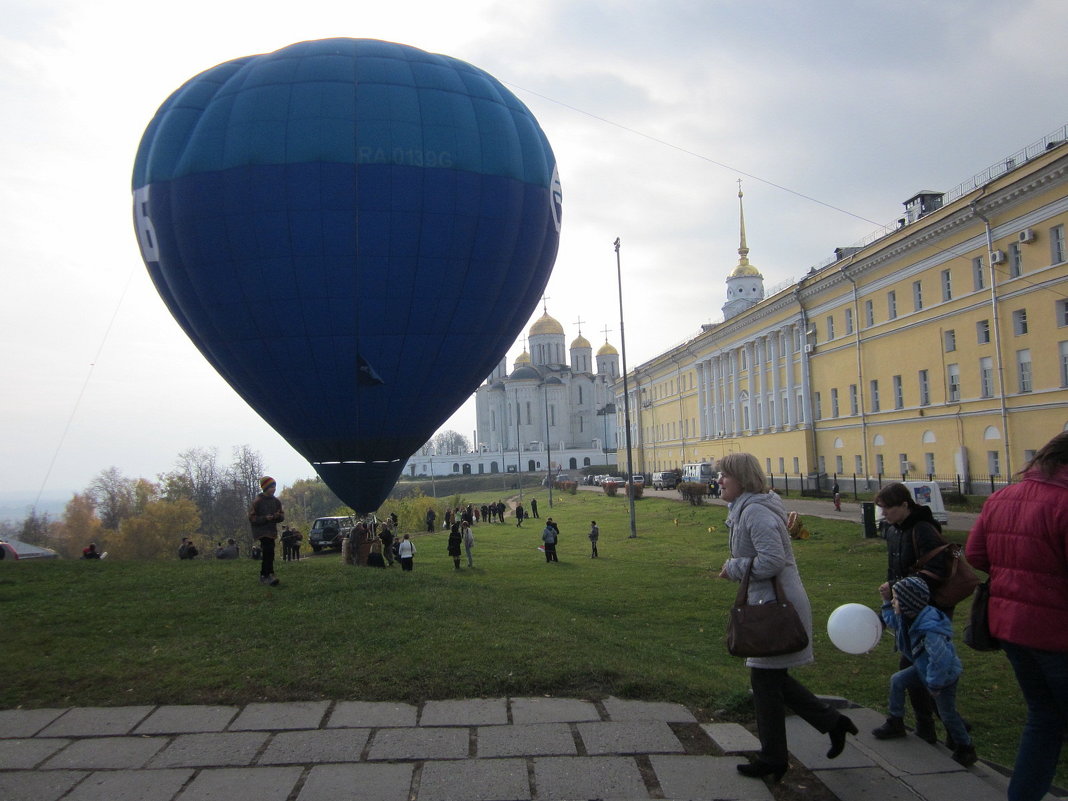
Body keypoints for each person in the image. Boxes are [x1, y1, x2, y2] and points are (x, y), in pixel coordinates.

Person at [717, 452, 856, 782]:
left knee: (764, 681)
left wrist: (734, 567)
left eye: (725, 475)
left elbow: (772, 561)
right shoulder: (746, 508)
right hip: (769, 601)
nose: (719, 480)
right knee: (772, 680)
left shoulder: (754, 512)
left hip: (776, 606)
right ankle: (831, 724)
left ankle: (774, 758)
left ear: (743, 479)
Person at [966, 432, 1068, 801]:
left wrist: (1015, 573)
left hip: (1011, 629)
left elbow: (975, 554)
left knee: (1042, 720)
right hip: (1057, 634)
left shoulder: (1001, 496)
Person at [875, 481, 950, 744]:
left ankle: (949, 727)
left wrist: (896, 586)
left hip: (926, 612)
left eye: (888, 509)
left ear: (905, 505)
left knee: (919, 669)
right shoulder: (894, 530)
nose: (884, 514)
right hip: (903, 608)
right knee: (916, 668)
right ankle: (929, 726)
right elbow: (895, 566)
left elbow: (937, 571)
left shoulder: (923, 530)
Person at [873, 576, 977, 766]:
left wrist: (935, 684)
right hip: (923, 669)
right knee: (897, 680)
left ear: (907, 603)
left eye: (896, 599)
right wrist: (886, 601)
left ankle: (966, 747)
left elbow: (941, 660)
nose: (894, 601)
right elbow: (893, 622)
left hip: (943, 678)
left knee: (947, 714)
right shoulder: (908, 617)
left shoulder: (931, 630)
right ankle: (896, 721)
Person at [248, 476, 283, 586]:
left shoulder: (276, 501)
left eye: (274, 487)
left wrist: (277, 517)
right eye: (271, 487)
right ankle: (267, 575)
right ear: (265, 488)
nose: (274, 489)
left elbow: (282, 516)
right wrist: (264, 518)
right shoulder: (258, 501)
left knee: (270, 552)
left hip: (271, 531)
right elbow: (252, 518)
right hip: (261, 531)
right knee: (267, 550)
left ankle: (267, 574)